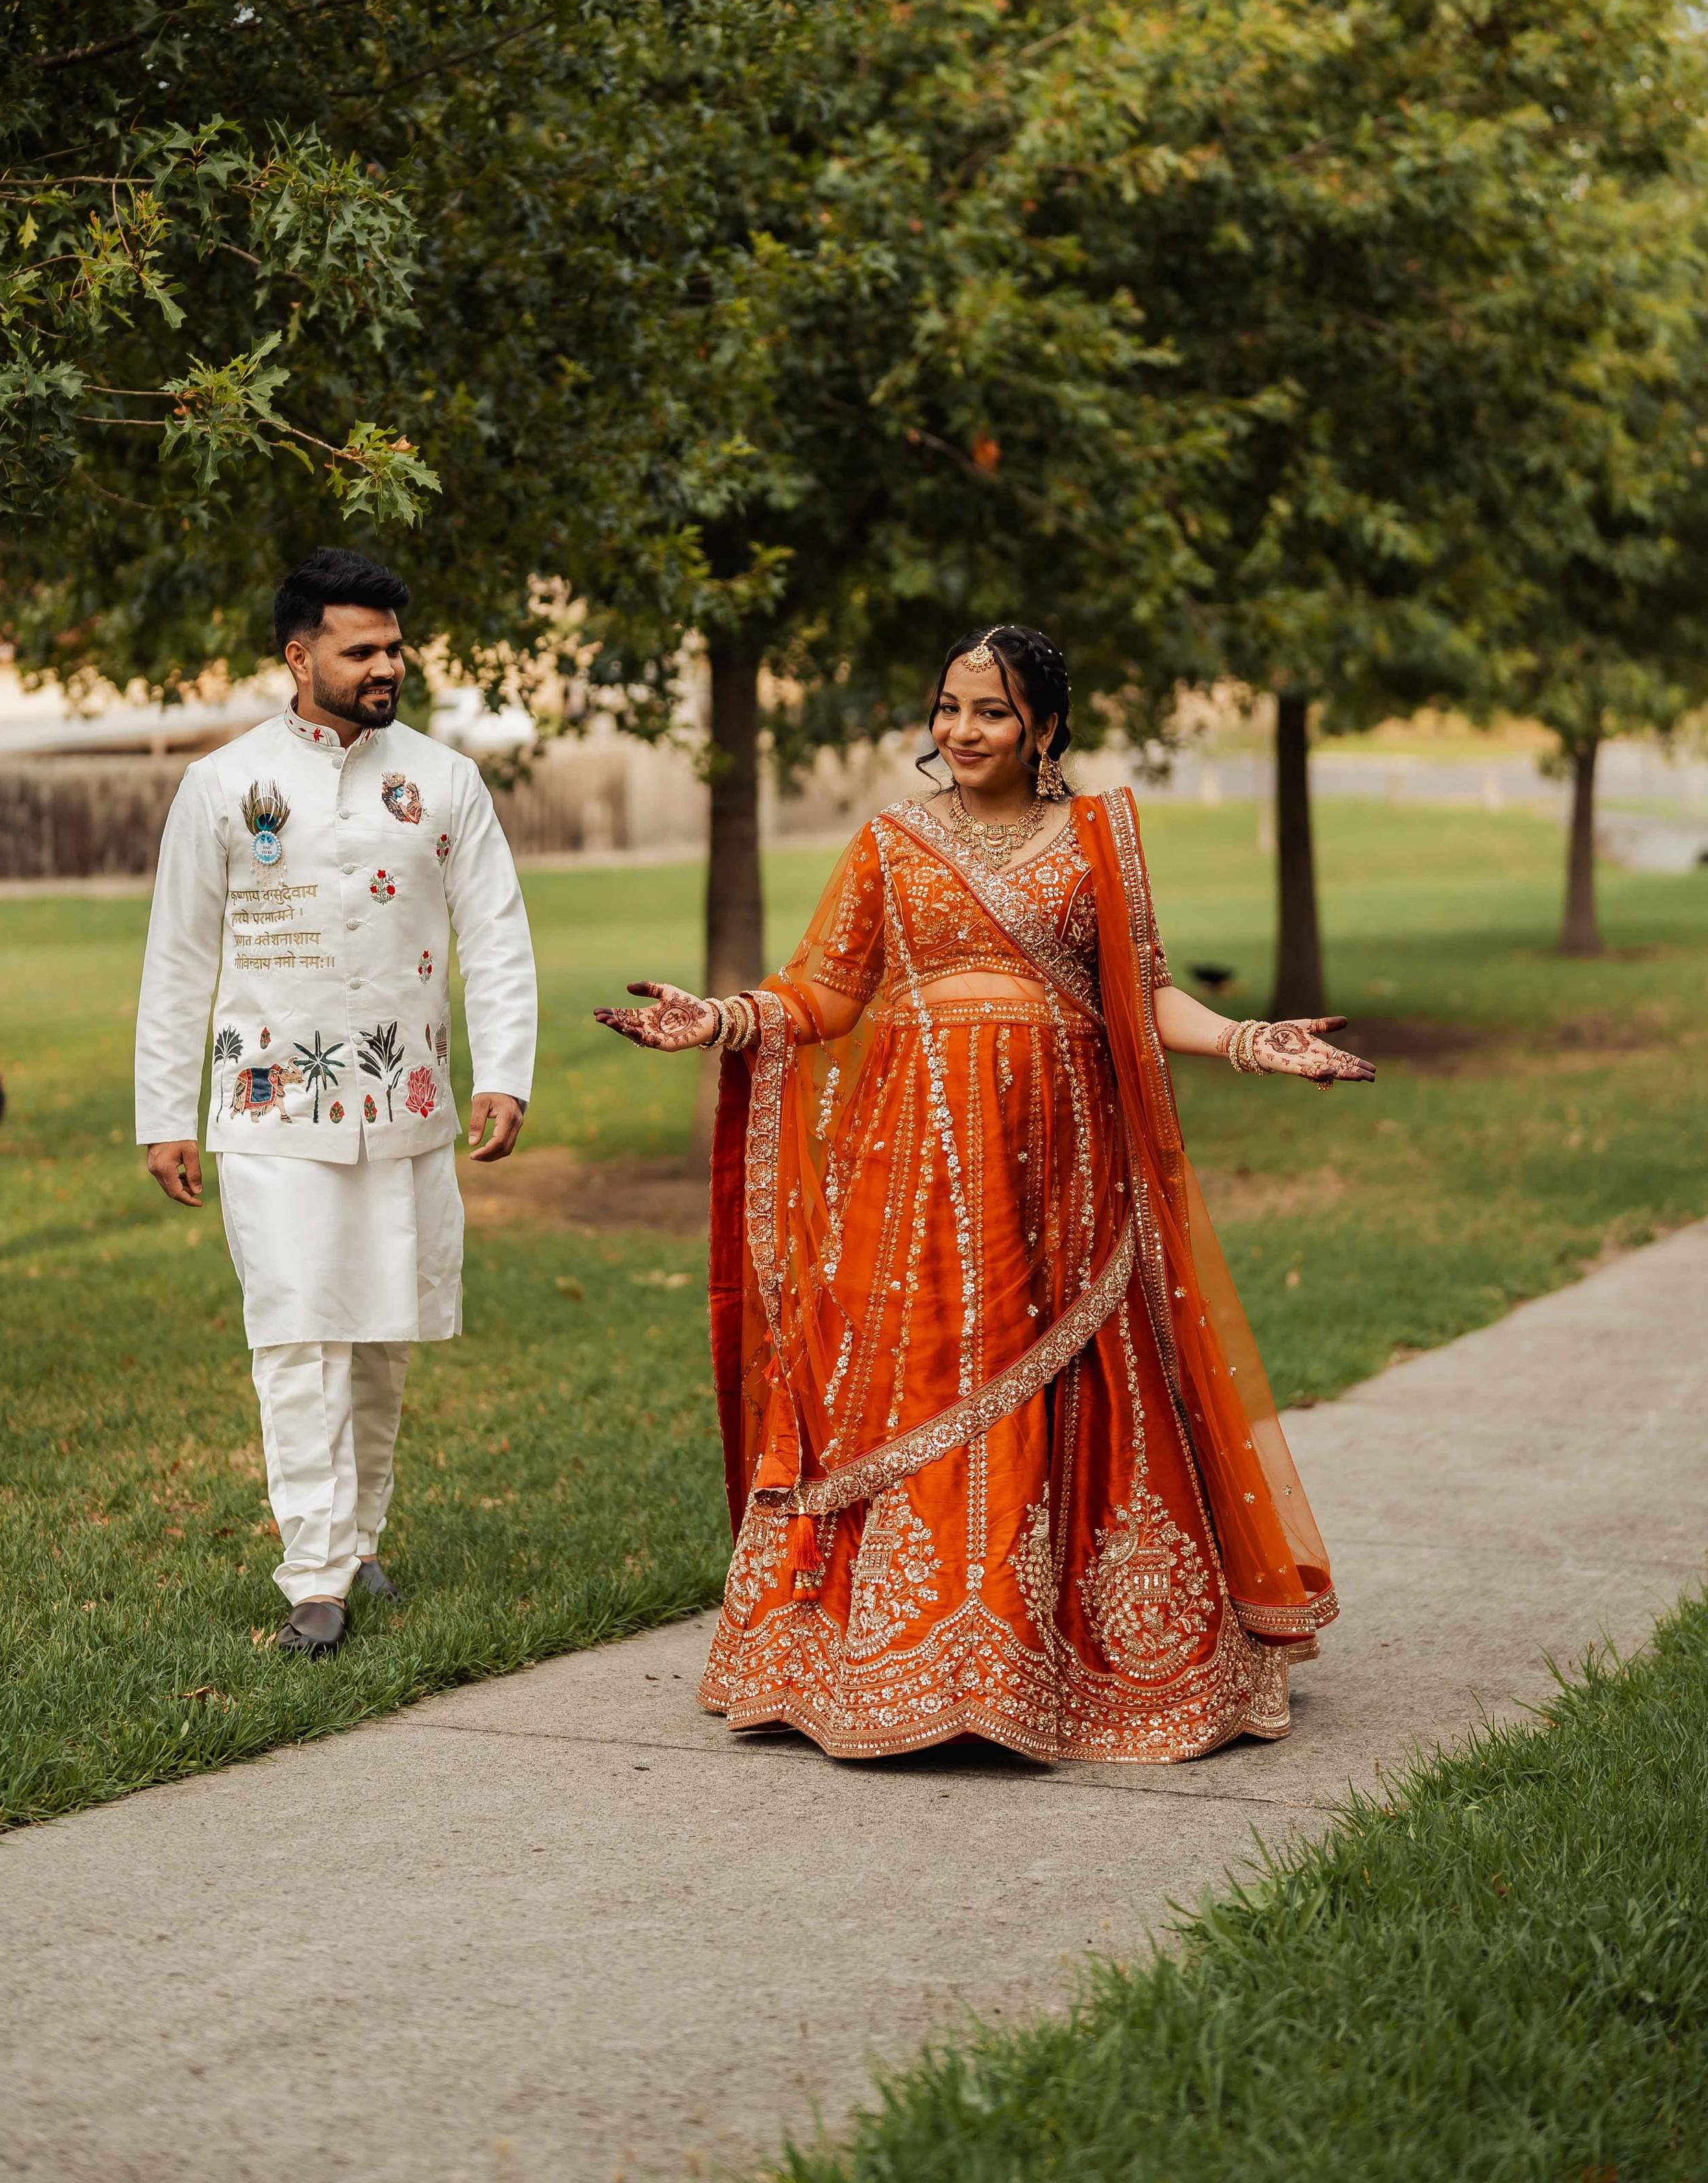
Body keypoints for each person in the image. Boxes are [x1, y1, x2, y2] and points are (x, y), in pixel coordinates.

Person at [597, 625, 1373, 1762]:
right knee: (905, 1383)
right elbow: (821, 991)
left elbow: (1142, 995)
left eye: (992, 712)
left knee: (1071, 1389)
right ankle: (877, 1659)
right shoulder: (889, 841)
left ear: (1046, 727)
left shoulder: (1101, 838)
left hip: (1063, 1178)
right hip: (910, 1179)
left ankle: (1063, 1665)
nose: (962, 731)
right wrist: (718, 1019)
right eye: (949, 708)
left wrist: (1253, 1041)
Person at [135, 548, 537, 1655]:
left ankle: (360, 1538)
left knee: (380, 1332)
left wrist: (503, 1070)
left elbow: (495, 931)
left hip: (404, 1100)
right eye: (361, 649)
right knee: (298, 1325)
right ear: (297, 653)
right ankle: (314, 1571)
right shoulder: (226, 784)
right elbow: (179, 955)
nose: (385, 667)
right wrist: (165, 1111)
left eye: (395, 648)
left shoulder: (445, 781)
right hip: (270, 1107)